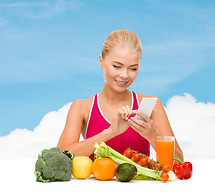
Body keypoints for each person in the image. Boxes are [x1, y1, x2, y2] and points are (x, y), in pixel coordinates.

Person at [57, 29, 184, 163]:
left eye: (133, 68)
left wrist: (152, 136)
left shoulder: (151, 104)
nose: (124, 75)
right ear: (101, 61)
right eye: (117, 66)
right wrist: (110, 132)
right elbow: (60, 157)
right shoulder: (82, 107)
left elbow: (179, 162)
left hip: (141, 184)